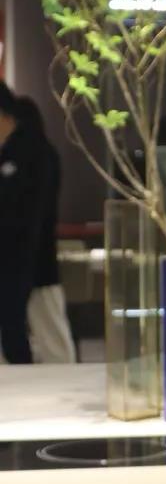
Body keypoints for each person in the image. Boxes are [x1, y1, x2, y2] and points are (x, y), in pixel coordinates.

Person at [14, 96, 76, 364]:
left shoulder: (37, 158)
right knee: (48, 328)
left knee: (50, 329)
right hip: (33, 261)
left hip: (36, 262)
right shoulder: (42, 156)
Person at [0, 82, 47, 364]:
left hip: (20, 256)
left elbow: (25, 210)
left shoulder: (31, 150)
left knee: (15, 329)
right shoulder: (8, 151)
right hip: (13, 257)